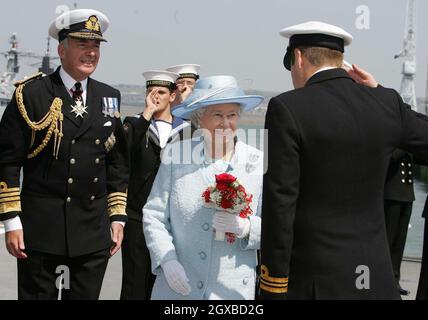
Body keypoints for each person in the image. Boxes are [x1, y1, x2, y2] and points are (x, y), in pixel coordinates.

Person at [258, 20, 428, 300]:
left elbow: (280, 202)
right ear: (340, 61)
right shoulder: (385, 102)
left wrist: (273, 285)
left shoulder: (286, 108)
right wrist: (381, 92)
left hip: (315, 282)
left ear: (298, 58)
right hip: (376, 281)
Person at [0, 9, 129, 300]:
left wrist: (117, 218)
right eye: (83, 44)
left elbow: (117, 164)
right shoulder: (30, 95)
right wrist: (12, 221)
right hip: (40, 234)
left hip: (92, 235)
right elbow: (7, 163)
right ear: (61, 49)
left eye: (95, 46)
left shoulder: (110, 97)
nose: (91, 52)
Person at [142, 75, 264, 299]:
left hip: (231, 291)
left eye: (232, 115)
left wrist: (247, 228)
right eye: (217, 115)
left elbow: (276, 225)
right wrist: (167, 260)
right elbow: (154, 215)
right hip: (179, 287)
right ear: (199, 118)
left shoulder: (257, 161)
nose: (225, 123)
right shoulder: (176, 156)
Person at [120, 70, 193, 299]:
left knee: (169, 285)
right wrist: (146, 115)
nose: (155, 96)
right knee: (134, 282)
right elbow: (122, 155)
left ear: (172, 96)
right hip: (137, 216)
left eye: (161, 92)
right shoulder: (134, 125)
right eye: (151, 92)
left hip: (173, 220)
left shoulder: (188, 129)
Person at [384, 149, 414, 296]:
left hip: (407, 195)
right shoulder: (396, 134)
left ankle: (395, 280)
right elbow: (392, 157)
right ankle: (383, 279)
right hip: (392, 193)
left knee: (400, 243)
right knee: (389, 240)